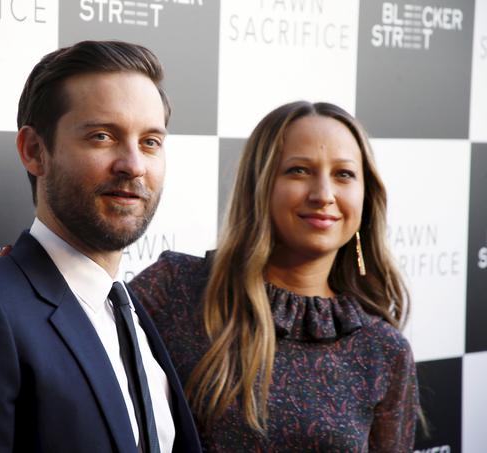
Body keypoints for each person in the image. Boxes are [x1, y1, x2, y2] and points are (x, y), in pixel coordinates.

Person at [0, 40, 201, 453]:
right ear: (35, 151)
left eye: (150, 142)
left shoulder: (132, 312)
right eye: (103, 136)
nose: (133, 164)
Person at [129, 101, 420, 451]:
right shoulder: (175, 287)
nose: (323, 195)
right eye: (299, 171)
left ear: (366, 196)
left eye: (343, 174)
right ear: (261, 185)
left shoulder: (383, 350)